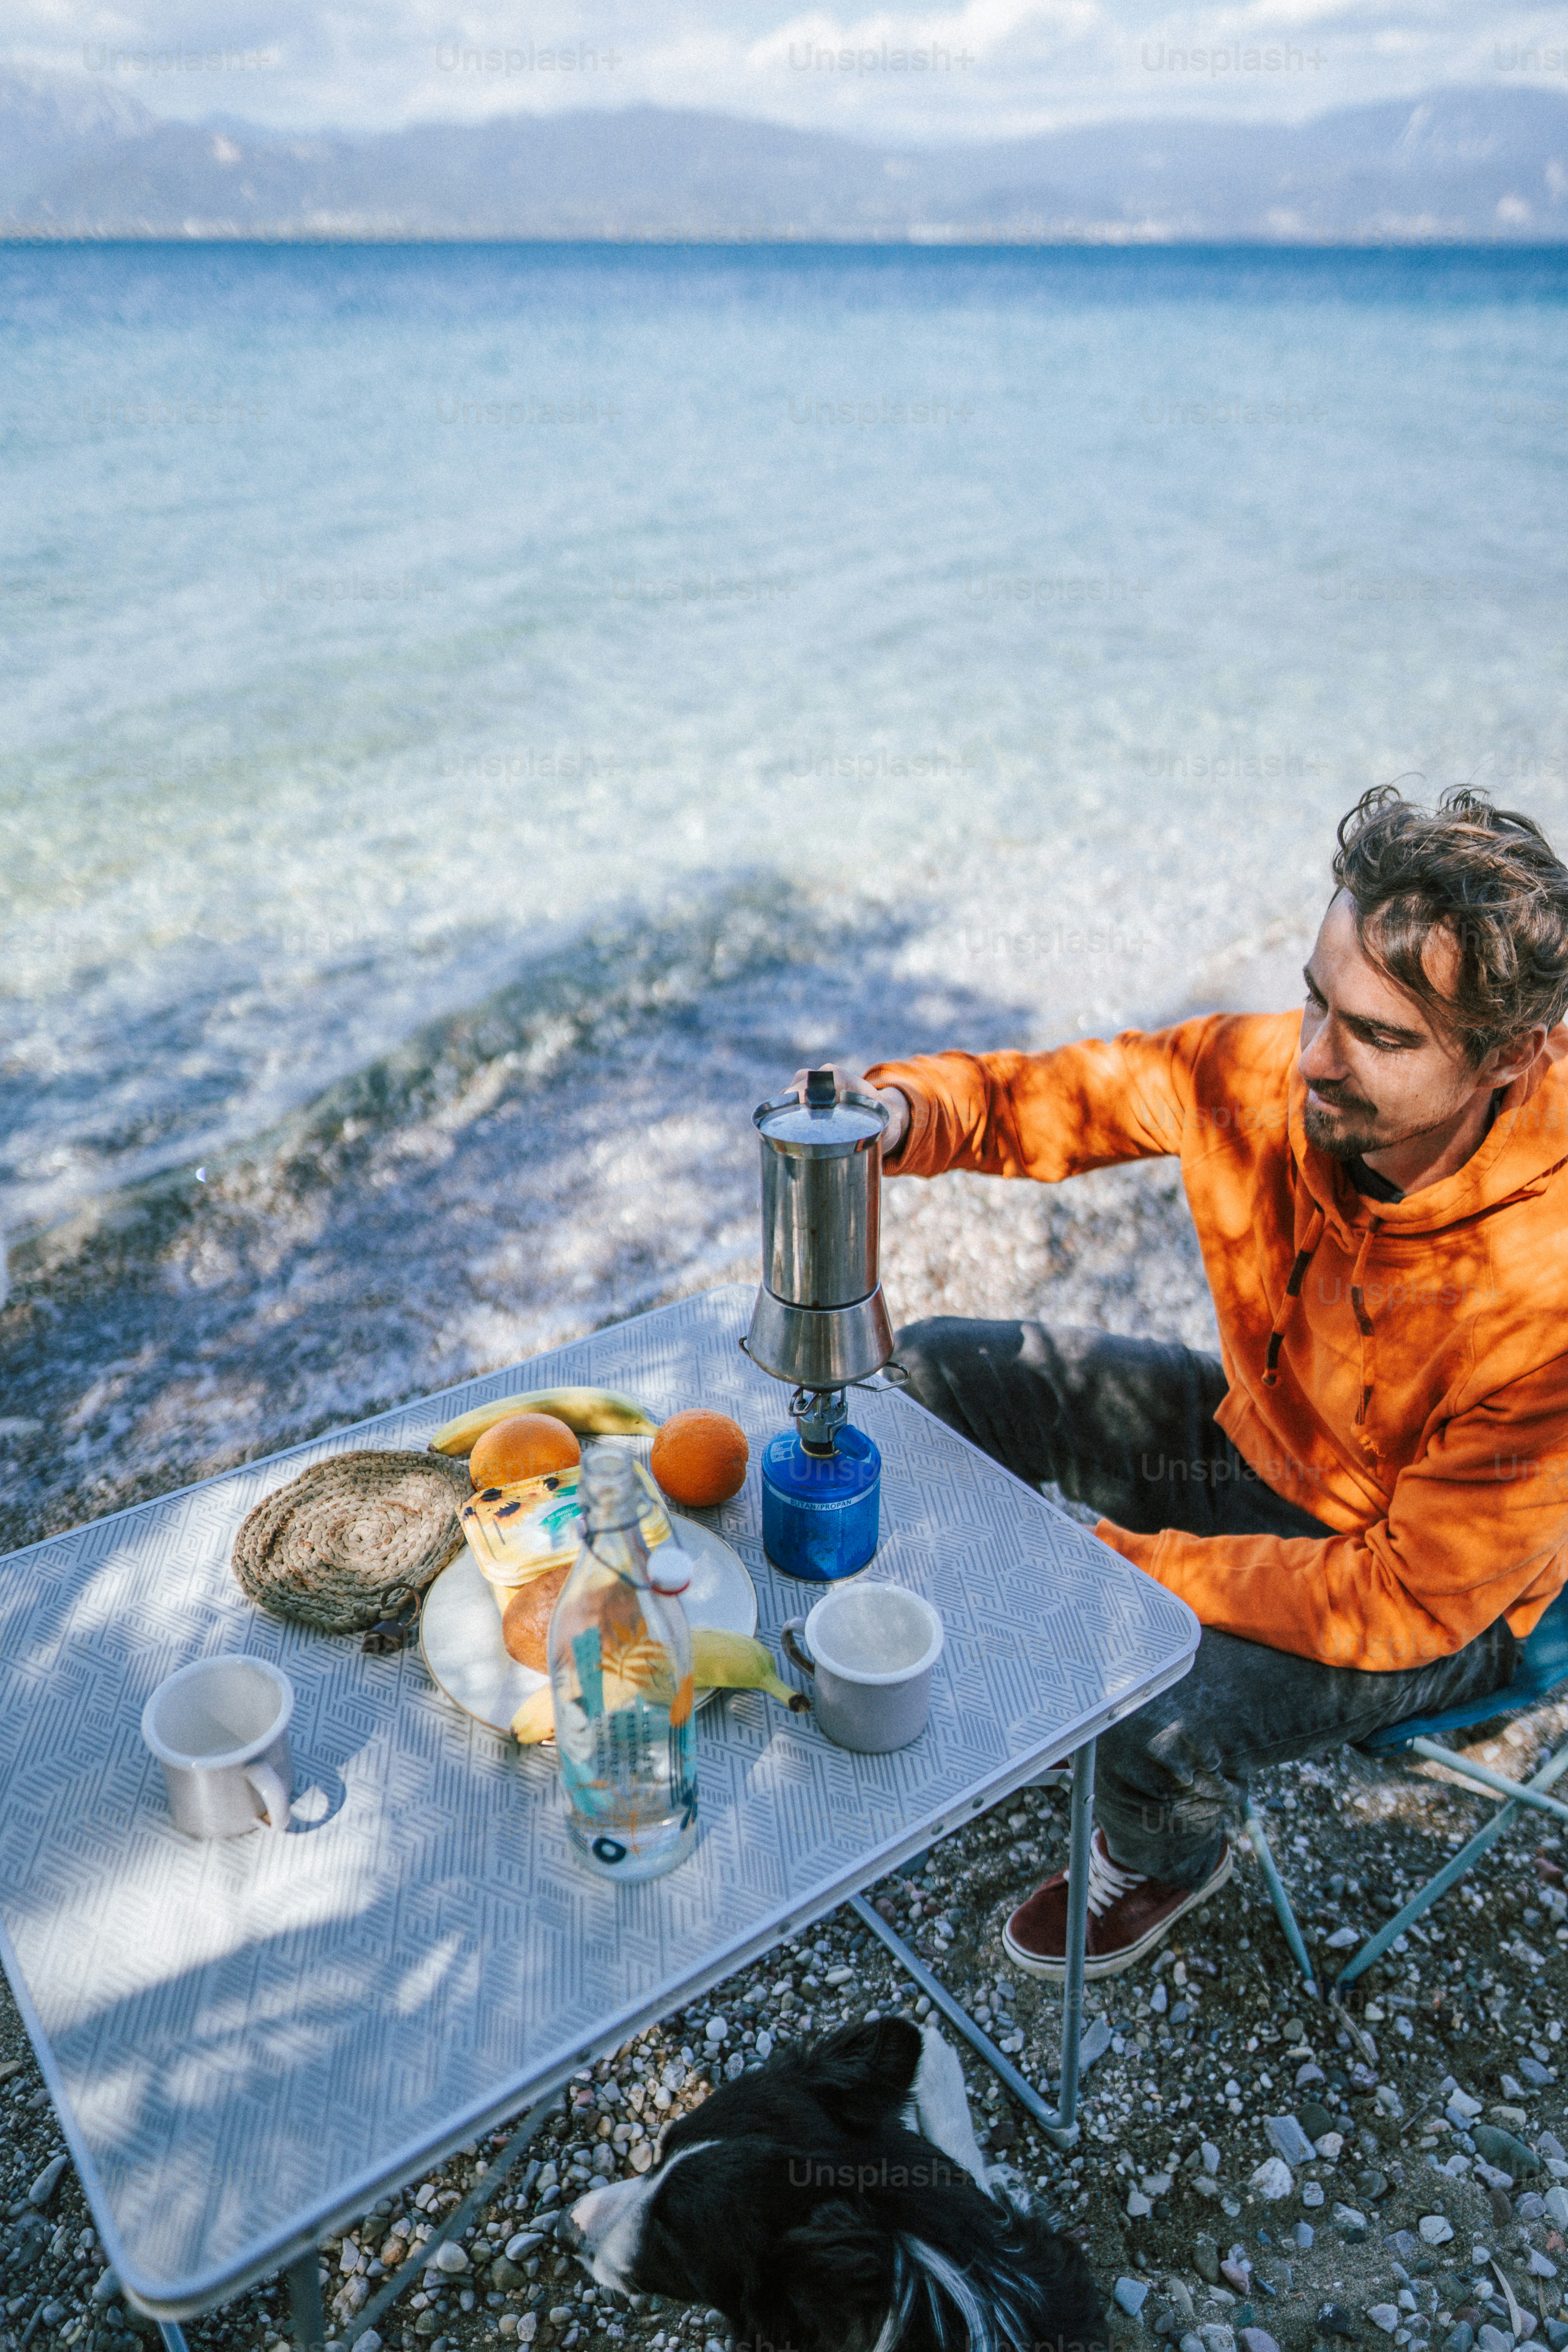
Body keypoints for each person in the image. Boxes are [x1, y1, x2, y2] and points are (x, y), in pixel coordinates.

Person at [800, 786, 1568, 1979]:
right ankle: (909, 1644)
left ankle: (1168, 1849)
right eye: (1319, 997)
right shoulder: (1276, 1074)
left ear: (1510, 1057)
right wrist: (904, 1113)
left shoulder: (1551, 1292)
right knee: (942, 1372)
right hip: (1260, 1445)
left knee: (1139, 1686)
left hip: (1432, 1598)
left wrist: (1122, 1565)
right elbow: (1056, 1097)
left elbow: (1405, 1598)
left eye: (1381, 1035)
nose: (1313, 1058)